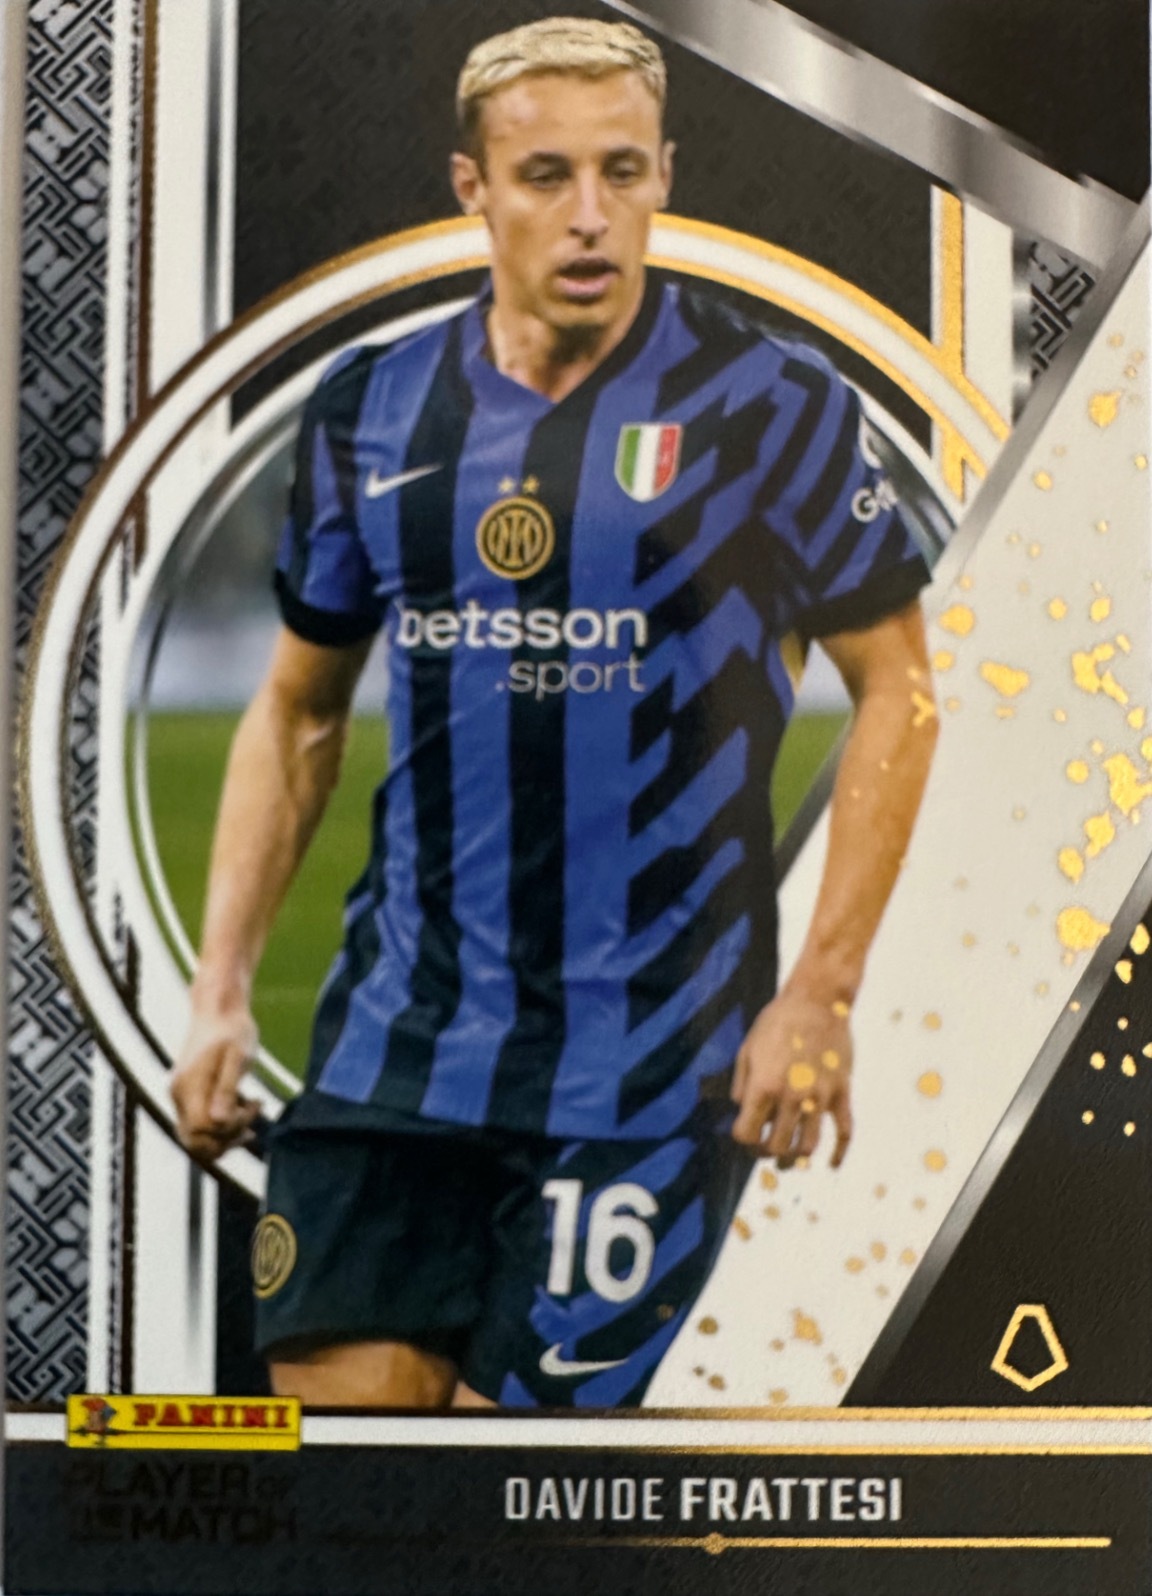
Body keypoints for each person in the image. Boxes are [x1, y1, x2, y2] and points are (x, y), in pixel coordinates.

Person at [171, 17, 938, 1409]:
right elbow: (296, 712)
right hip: (391, 1060)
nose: (591, 214)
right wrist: (220, 990)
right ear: (472, 187)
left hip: (647, 1076)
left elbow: (900, 690)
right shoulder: (373, 409)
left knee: (515, 1500)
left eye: (622, 171)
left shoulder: (772, 405)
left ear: (664, 177)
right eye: (546, 176)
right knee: (345, 1497)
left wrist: (821, 993)